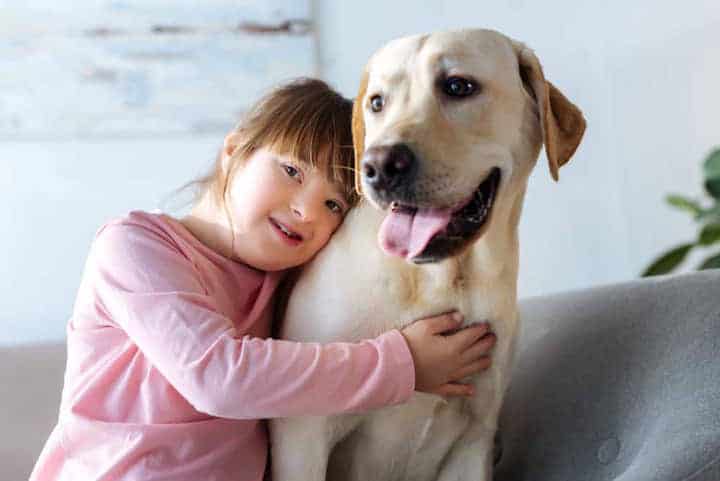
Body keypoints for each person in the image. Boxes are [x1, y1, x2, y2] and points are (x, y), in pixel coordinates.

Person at [29, 78, 496, 481]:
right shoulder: (136, 246)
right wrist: (401, 365)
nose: (307, 210)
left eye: (334, 204)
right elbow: (218, 377)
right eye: (292, 170)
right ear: (234, 151)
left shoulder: (288, 285)